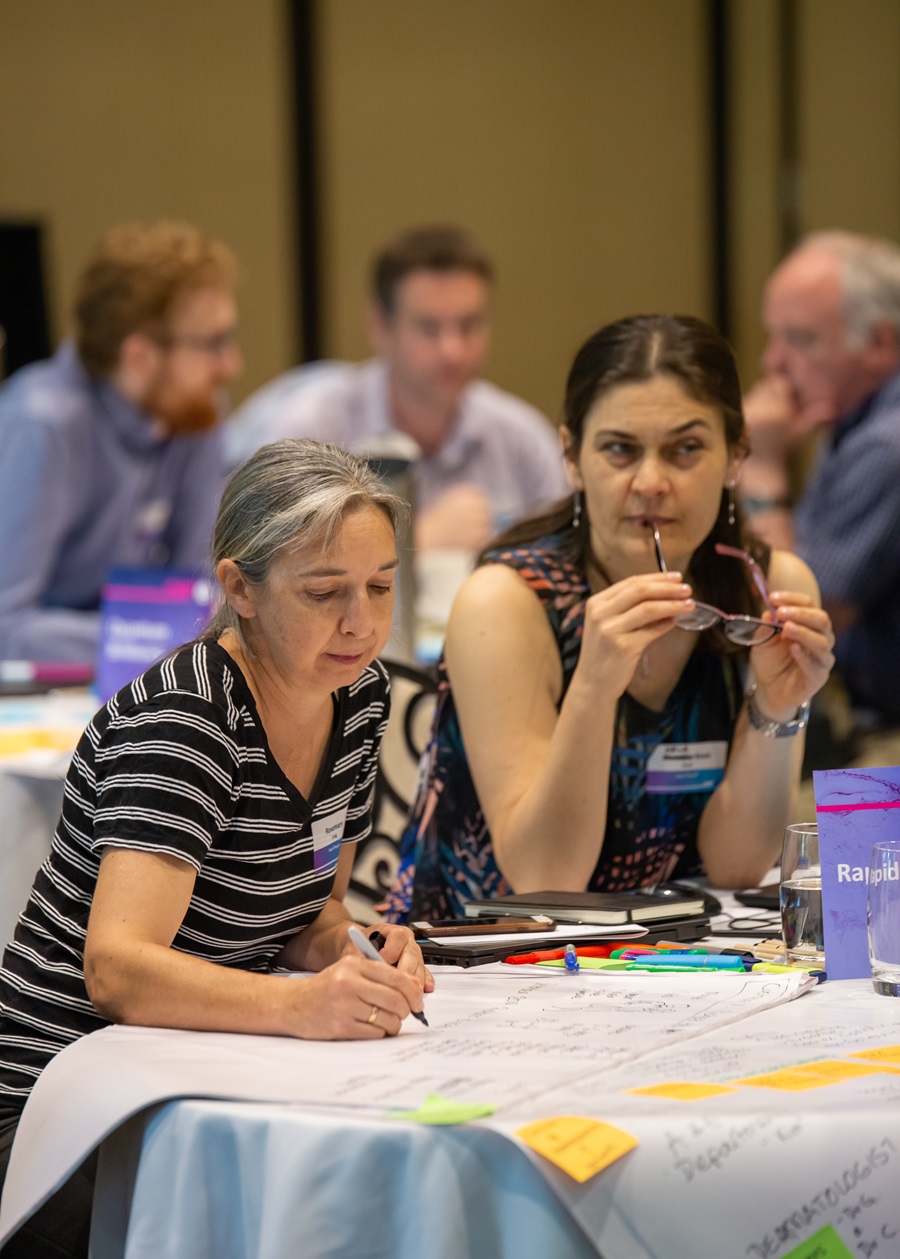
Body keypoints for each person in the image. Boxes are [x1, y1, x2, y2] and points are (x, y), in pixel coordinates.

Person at [0, 439, 431, 1259]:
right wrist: (305, 1006)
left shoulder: (355, 699)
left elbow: (306, 911)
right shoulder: (187, 719)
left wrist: (354, 953)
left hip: (188, 1080)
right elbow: (118, 971)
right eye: (324, 593)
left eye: (381, 588)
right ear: (239, 588)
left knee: (365, 1238)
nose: (359, 622)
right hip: (50, 1120)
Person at [383, 315, 835, 923]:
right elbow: (545, 878)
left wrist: (775, 710)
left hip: (669, 959)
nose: (650, 483)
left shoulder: (769, 591)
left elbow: (740, 867)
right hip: (481, 966)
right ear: (571, 457)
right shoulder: (508, 601)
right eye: (620, 450)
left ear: (736, 456)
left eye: (686, 449)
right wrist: (595, 685)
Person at [225, 225, 569, 554]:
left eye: (469, 325)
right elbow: (260, 568)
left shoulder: (522, 438)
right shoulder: (310, 430)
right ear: (380, 326)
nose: (453, 350)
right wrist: (417, 540)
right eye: (428, 327)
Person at [0, 220, 243, 667]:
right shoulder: (42, 425)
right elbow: (5, 626)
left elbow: (198, 590)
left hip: (133, 673)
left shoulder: (192, 410)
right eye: (214, 343)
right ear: (138, 357)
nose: (231, 365)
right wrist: (153, 637)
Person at [741, 231, 900, 723]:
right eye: (774, 335)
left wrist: (763, 475)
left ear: (879, 343)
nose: (774, 363)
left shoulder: (886, 444)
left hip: (889, 741)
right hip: (868, 721)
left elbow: (800, 620)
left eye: (801, 339)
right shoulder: (853, 417)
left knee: (806, 803)